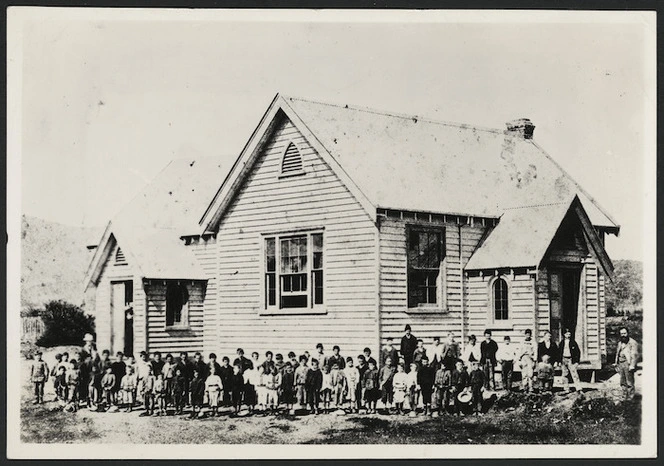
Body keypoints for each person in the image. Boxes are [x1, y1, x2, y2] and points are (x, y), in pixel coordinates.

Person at [614, 326, 639, 400]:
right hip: (621, 363)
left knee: (629, 382)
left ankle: (630, 398)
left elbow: (634, 355)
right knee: (622, 381)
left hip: (628, 363)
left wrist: (632, 365)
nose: (623, 335)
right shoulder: (620, 343)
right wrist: (616, 363)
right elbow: (617, 353)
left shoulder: (632, 343)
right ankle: (624, 396)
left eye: (625, 333)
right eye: (621, 333)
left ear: (628, 333)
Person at [558, 328, 582, 393]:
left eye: (569, 334)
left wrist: (577, 361)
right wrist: (559, 361)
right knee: (564, 375)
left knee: (574, 374)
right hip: (563, 359)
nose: (568, 335)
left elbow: (578, 352)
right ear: (564, 334)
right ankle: (566, 389)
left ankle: (578, 388)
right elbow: (559, 352)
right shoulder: (562, 343)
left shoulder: (573, 342)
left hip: (571, 360)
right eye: (567, 334)